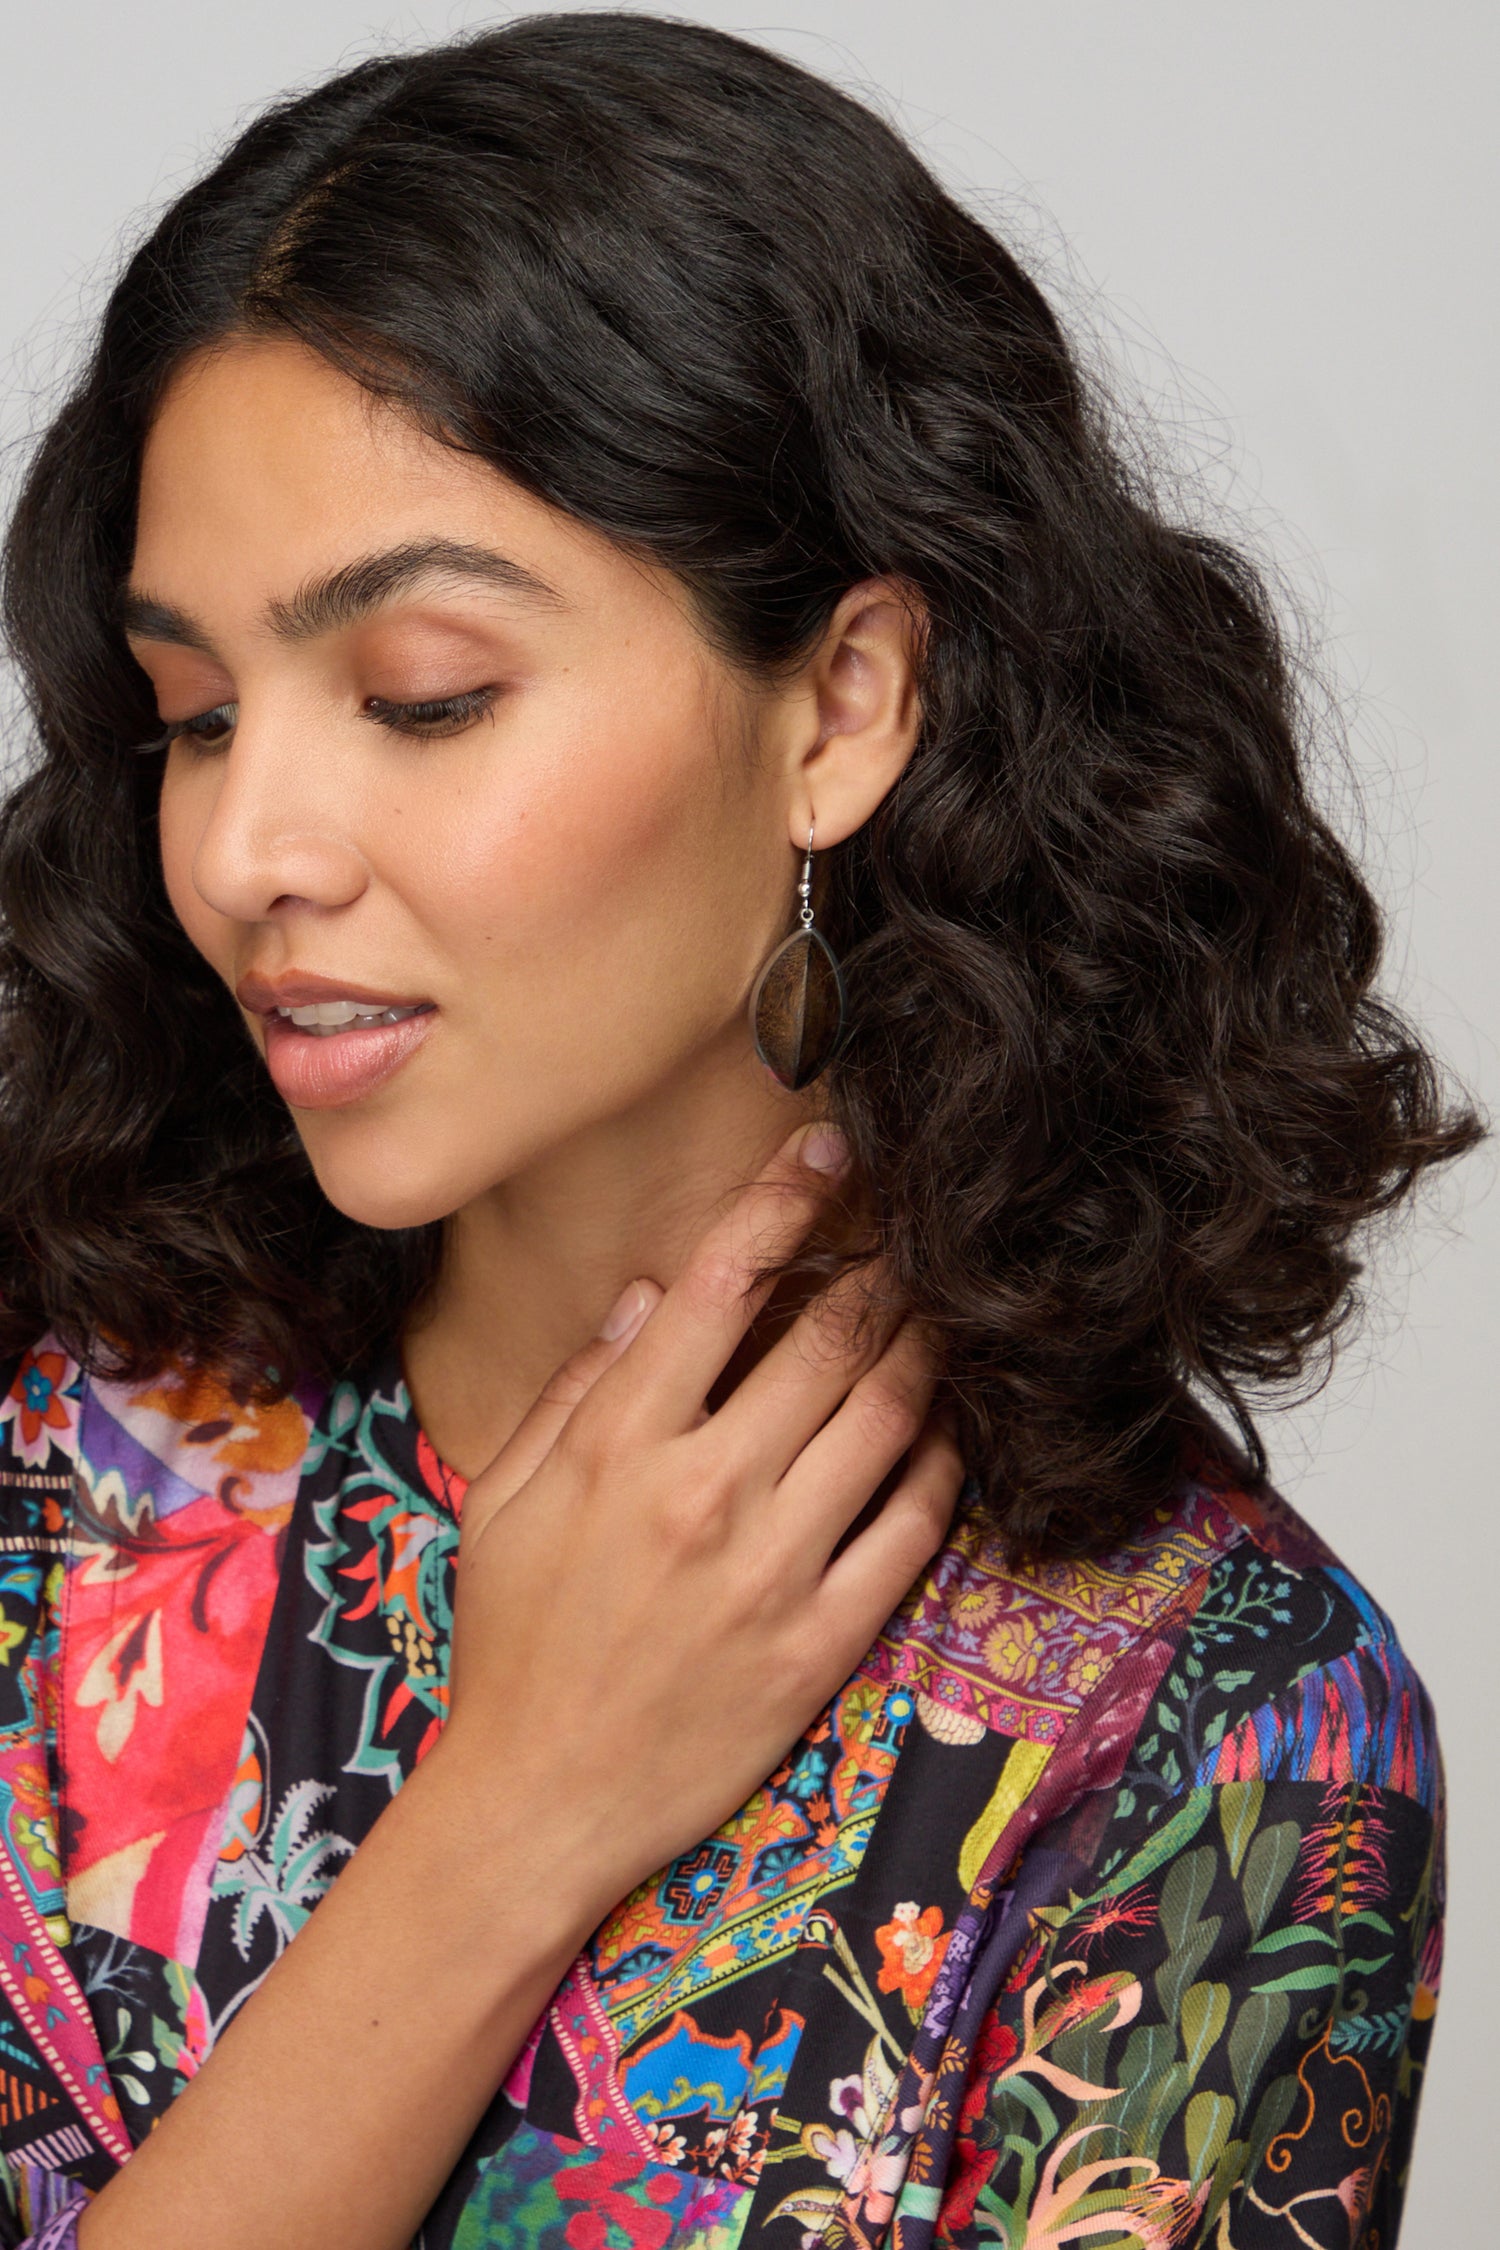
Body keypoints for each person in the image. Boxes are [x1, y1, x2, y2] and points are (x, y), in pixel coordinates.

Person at [0, 15, 1476, 2248]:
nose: (245, 850)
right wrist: (505, 1822)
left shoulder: (1224, 1741)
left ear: (847, 705)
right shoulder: (43, 1478)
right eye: (194, 718)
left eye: (420, 694)